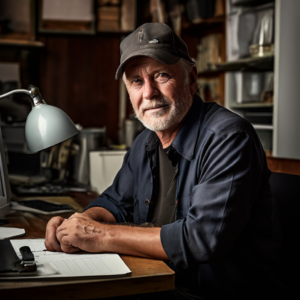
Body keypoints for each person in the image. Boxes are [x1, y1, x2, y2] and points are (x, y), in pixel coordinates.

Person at [45, 23, 290, 299]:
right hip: (158, 285)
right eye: (136, 81)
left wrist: (96, 235)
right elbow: (114, 204)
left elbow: (200, 239)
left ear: (191, 79)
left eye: (161, 75)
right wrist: (78, 223)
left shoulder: (229, 138)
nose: (148, 92)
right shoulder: (144, 142)